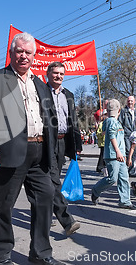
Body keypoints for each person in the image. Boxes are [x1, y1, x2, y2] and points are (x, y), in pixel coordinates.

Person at [0, 32, 64, 265]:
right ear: (11, 53)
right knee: (4, 204)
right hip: (8, 153)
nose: (23, 56)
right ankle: (2, 255)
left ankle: (40, 253)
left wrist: (54, 154)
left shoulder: (40, 85)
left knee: (45, 199)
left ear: (34, 57)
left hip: (39, 153)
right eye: (19, 51)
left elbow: (50, 119)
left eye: (28, 52)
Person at [46, 61, 82, 236]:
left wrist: (77, 145)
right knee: (53, 181)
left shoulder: (69, 94)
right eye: (55, 73)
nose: (58, 76)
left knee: (52, 180)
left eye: (61, 73)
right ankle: (66, 220)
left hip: (62, 142)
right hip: (46, 142)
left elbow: (73, 120)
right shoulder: (41, 92)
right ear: (48, 74)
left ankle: (45, 215)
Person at [91, 99, 136, 210]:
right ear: (119, 110)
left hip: (120, 155)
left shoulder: (115, 121)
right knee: (112, 178)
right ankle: (96, 190)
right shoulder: (111, 121)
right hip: (113, 155)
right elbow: (112, 136)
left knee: (124, 178)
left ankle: (125, 201)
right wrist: (117, 151)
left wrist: (122, 153)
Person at [118, 95, 136, 176]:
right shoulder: (123, 111)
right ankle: (125, 169)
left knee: (135, 151)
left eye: (131, 101)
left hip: (135, 135)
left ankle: (131, 169)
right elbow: (120, 122)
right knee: (127, 151)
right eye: (128, 101)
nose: (130, 102)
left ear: (134, 102)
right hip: (126, 134)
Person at [95, 111, 108, 175]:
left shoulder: (110, 123)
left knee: (103, 155)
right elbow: (97, 134)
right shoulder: (101, 124)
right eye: (105, 115)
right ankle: (101, 167)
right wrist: (102, 134)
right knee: (103, 155)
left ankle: (101, 167)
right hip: (103, 142)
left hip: (108, 143)